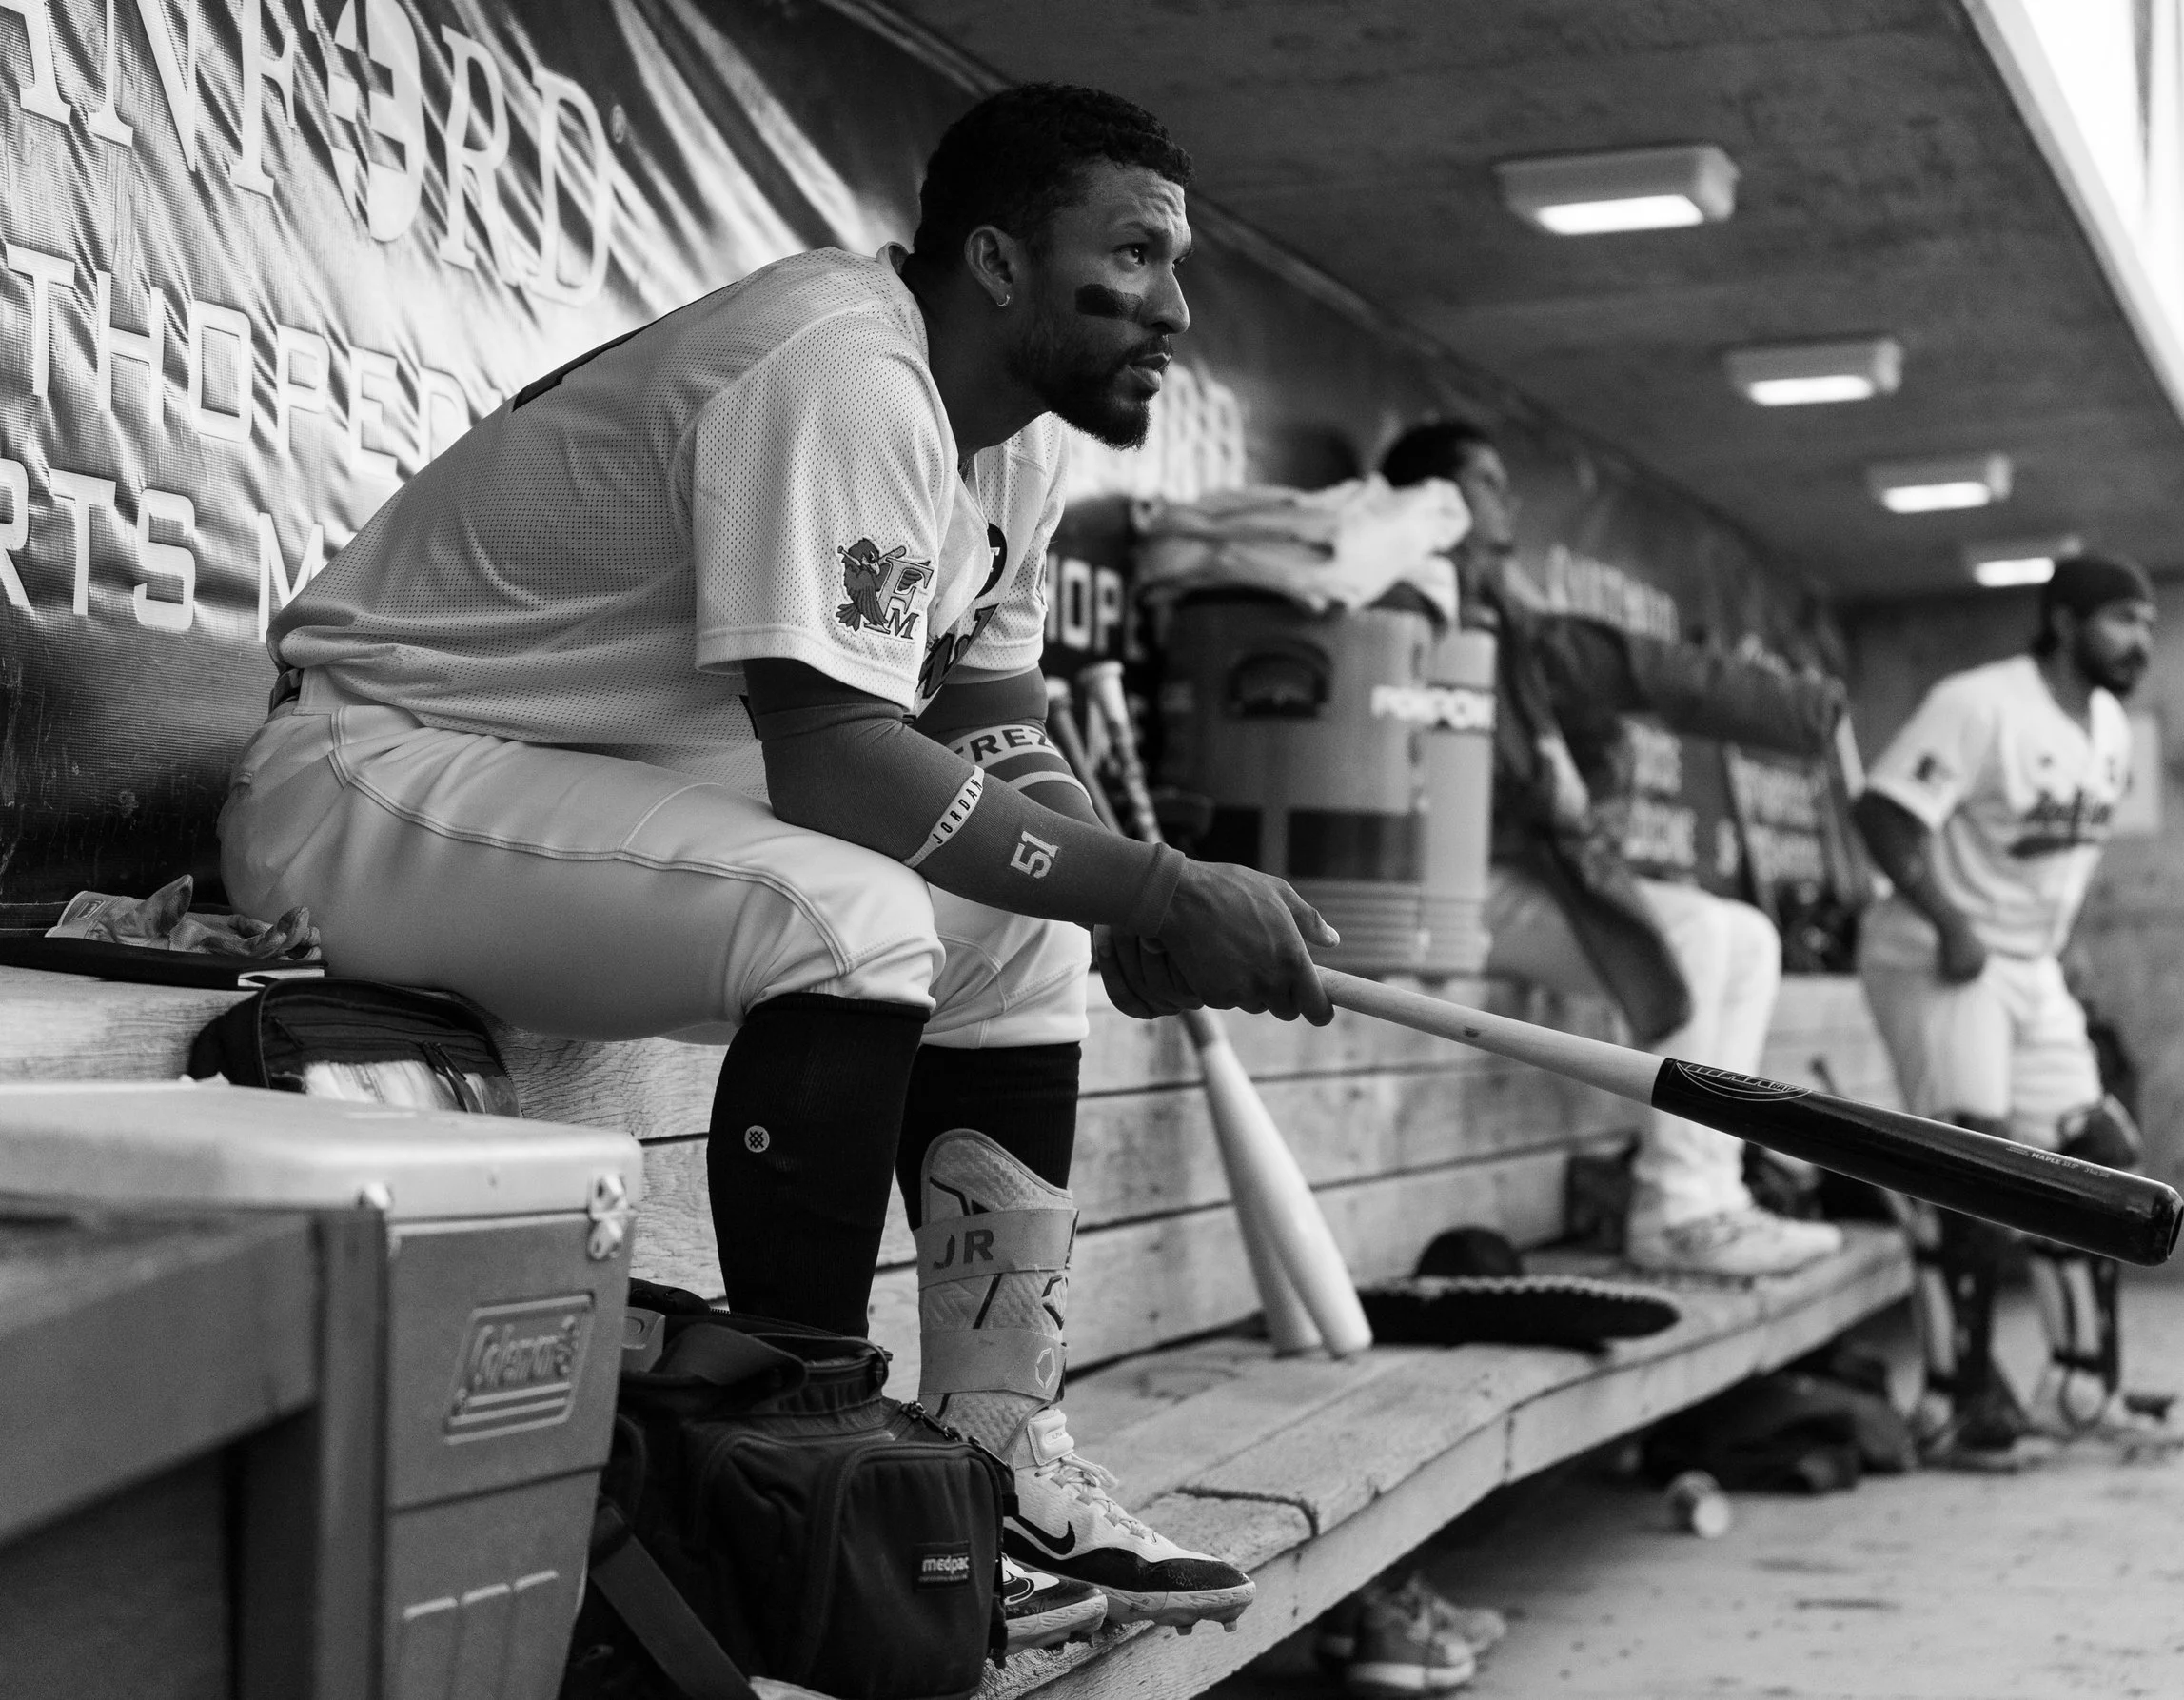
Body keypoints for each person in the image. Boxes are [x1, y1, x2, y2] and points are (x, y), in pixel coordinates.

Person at [219, 84, 1342, 1644]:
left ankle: (995, 1449)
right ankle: (791, 1484)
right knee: (855, 914)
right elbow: (834, 757)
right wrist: (1151, 890)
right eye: (1137, 255)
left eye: (1180, 263)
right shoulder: (846, 371)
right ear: (1002, 262)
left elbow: (988, 722)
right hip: (376, 770)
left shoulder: (1007, 447)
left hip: (585, 783)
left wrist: (1104, 889)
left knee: (1020, 941)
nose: (1176, 303)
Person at [1380, 421, 1843, 1280]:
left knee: (1748, 935)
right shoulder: (1398, 581)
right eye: (1483, 480)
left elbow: (1635, 674)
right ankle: (1678, 1209)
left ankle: (1708, 1193)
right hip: (1414, 886)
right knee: (1698, 937)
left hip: (1501, 877)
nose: (1503, 499)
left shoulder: (1508, 616)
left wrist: (1593, 770)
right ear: (1433, 496)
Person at [1852, 554, 2183, 1469]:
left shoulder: (2111, 726)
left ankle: (2081, 1389)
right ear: (2064, 622)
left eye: (2148, 625)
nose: (2140, 641)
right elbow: (1881, 813)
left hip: (2027, 965)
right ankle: (1953, 1408)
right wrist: (1950, 919)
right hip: (1936, 957)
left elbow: (2057, 856)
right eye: (2121, 620)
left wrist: (2058, 943)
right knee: (1972, 1169)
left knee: (2099, 1159)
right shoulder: (1981, 702)